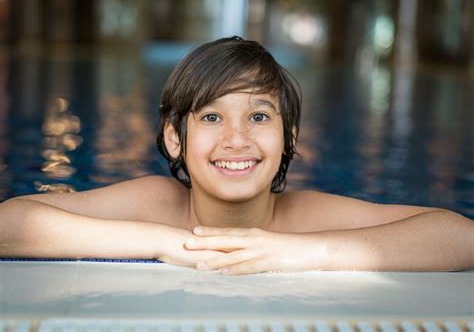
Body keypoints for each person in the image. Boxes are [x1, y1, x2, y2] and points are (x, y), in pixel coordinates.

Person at [0, 37, 472, 275]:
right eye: (211, 118)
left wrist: (294, 251)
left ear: (289, 138)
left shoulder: (306, 216)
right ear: (173, 139)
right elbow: (11, 222)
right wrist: (166, 243)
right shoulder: (154, 203)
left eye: (259, 117)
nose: (237, 138)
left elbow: (460, 236)